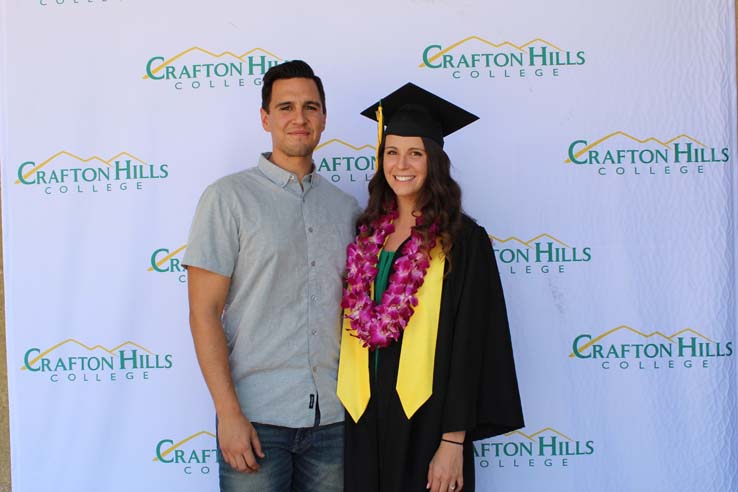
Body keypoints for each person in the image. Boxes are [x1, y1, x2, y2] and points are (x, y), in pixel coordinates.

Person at [337, 83, 524, 492]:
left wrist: (452, 441)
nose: (401, 164)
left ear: (434, 161)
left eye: (415, 153)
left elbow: (472, 345)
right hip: (364, 419)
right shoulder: (366, 235)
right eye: (391, 152)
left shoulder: (462, 239)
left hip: (429, 422)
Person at [183, 60, 360, 492]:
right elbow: (203, 312)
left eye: (310, 107)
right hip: (256, 421)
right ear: (265, 118)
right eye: (285, 107)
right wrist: (228, 414)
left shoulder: (346, 209)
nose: (298, 118)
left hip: (335, 423)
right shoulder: (227, 199)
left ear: (323, 117)